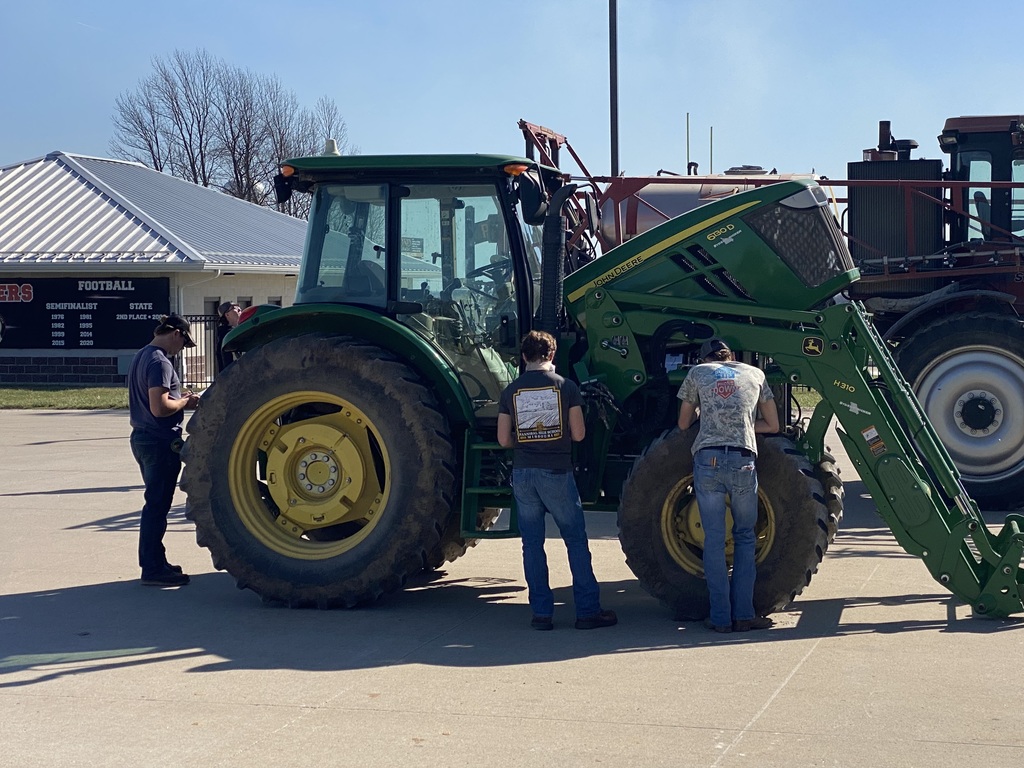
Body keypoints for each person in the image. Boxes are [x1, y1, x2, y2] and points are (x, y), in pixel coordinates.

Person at [497, 330, 617, 631]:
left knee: (532, 544)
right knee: (575, 540)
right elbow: (578, 434)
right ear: (551, 355)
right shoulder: (567, 387)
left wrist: (524, 440)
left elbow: (503, 440)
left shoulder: (510, 391)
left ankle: (541, 614)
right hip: (556, 472)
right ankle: (587, 611)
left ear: (524, 356)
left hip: (524, 473)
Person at [677, 338, 780, 633]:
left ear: (704, 358)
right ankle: (745, 614)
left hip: (707, 459)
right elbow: (772, 425)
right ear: (731, 356)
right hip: (742, 460)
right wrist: (744, 427)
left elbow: (684, 423)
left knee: (713, 539)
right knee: (745, 536)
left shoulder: (698, 373)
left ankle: (720, 617)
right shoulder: (755, 374)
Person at [127, 314, 201, 586]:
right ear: (177, 334)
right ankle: (153, 568)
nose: (181, 349)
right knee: (157, 506)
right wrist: (186, 401)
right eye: (184, 343)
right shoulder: (160, 361)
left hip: (142, 437)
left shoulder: (141, 356)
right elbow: (160, 408)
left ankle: (156, 560)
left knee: (155, 504)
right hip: (158, 440)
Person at [214, 301, 241, 374]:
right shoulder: (226, 333)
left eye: (239, 306)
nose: (239, 309)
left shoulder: (238, 330)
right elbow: (226, 359)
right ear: (227, 314)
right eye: (234, 308)